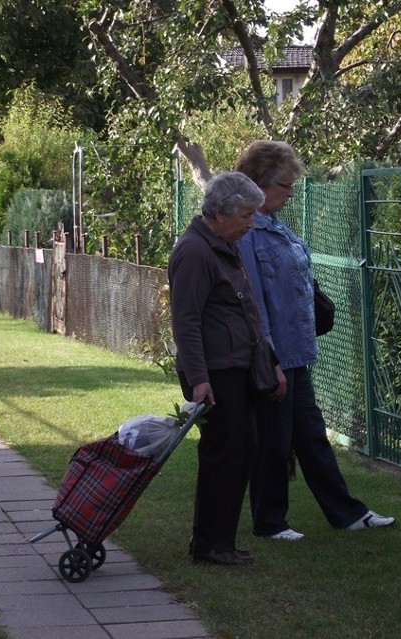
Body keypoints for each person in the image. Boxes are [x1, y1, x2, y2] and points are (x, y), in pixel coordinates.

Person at [235, 140, 395, 540]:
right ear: (260, 183)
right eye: (285, 185)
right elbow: (253, 302)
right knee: (274, 441)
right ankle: (269, 522)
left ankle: (347, 513)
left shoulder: (277, 225)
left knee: (311, 437)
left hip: (297, 353)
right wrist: (269, 359)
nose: (292, 193)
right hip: (274, 357)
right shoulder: (247, 233)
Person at [169, 171, 284, 566]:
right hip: (217, 374)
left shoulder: (220, 245)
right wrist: (200, 381)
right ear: (220, 212)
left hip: (237, 369)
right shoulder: (194, 252)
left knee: (242, 451)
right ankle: (210, 545)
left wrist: (270, 362)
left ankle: (220, 541)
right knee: (225, 455)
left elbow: (247, 311)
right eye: (246, 215)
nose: (251, 224)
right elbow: (186, 322)